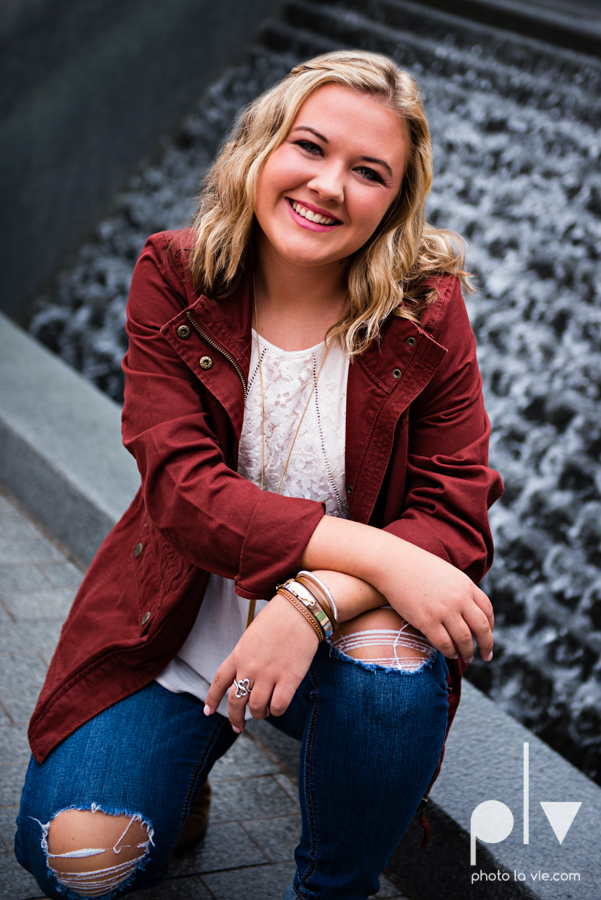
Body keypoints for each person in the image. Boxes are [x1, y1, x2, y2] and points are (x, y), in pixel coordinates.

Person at [15, 49, 503, 900]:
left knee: (392, 666)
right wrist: (382, 557)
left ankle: (334, 888)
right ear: (261, 146)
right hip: (174, 626)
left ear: (394, 200)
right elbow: (182, 494)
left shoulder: (424, 308)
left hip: (346, 637)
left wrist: (309, 601)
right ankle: (182, 776)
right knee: (81, 864)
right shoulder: (175, 273)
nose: (327, 185)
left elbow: (453, 515)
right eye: (308, 147)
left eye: (367, 171)